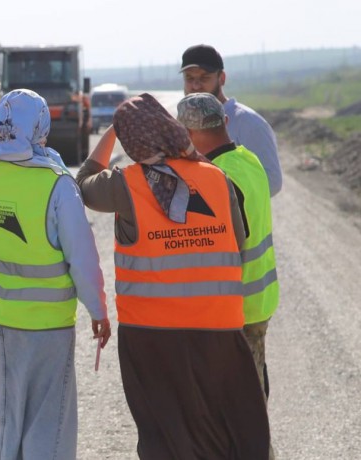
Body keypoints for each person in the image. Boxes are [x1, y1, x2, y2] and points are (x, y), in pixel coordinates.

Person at [77, 93, 270, 459]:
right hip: (218, 331)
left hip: (150, 337)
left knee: (165, 434)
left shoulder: (125, 184)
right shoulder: (217, 178)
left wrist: (111, 134)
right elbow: (238, 247)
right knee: (219, 433)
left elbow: (83, 183)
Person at [0, 89, 110, 460]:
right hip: (45, 327)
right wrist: (98, 311)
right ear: (40, 126)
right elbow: (82, 258)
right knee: (47, 430)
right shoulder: (57, 183)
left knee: (1, 422)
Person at [178, 92, 279, 458]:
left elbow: (220, 251)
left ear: (191, 132)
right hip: (258, 302)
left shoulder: (217, 178)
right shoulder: (247, 159)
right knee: (252, 404)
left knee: (240, 420)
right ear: (223, 122)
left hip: (234, 313)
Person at [180, 44, 283, 197]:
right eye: (190, 78)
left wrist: (226, 203)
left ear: (222, 78)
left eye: (204, 78)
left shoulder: (249, 123)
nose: (195, 85)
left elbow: (272, 181)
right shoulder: (182, 125)